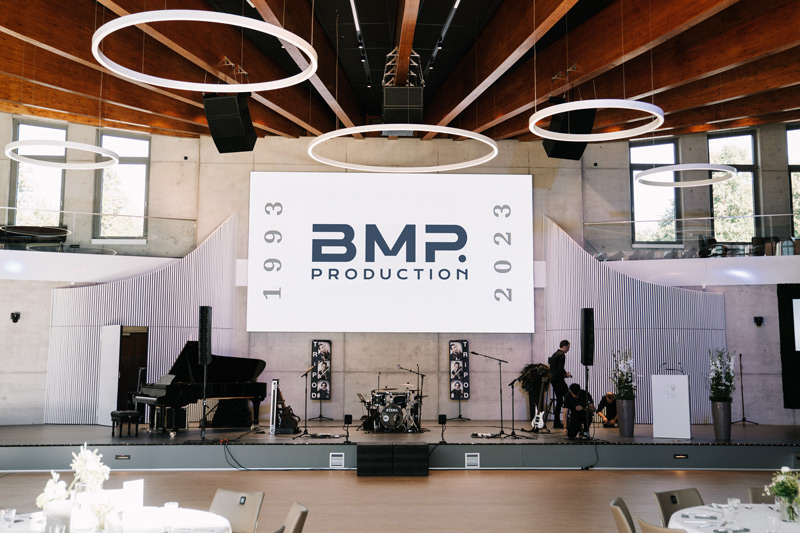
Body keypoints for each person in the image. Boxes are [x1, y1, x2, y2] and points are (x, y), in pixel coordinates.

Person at [548, 340, 572, 428]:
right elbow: (560, 369)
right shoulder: (562, 355)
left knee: (559, 400)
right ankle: (569, 420)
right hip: (558, 380)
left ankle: (557, 422)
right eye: (568, 347)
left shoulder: (554, 354)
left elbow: (554, 369)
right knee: (569, 397)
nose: (568, 349)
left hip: (553, 380)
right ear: (564, 346)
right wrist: (566, 374)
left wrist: (564, 374)